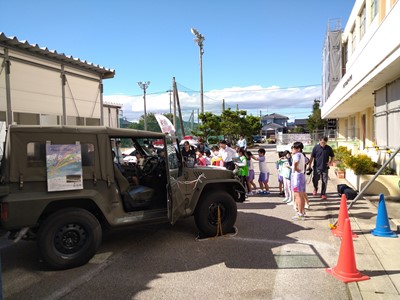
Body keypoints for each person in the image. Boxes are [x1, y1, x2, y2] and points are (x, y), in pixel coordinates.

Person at [291, 142, 307, 220]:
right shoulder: (302, 155)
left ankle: (300, 214)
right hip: (301, 175)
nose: (292, 150)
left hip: (297, 176)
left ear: (298, 149)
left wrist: (296, 168)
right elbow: (306, 161)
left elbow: (296, 163)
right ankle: (302, 212)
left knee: (298, 196)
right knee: (301, 195)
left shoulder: (296, 155)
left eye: (294, 148)